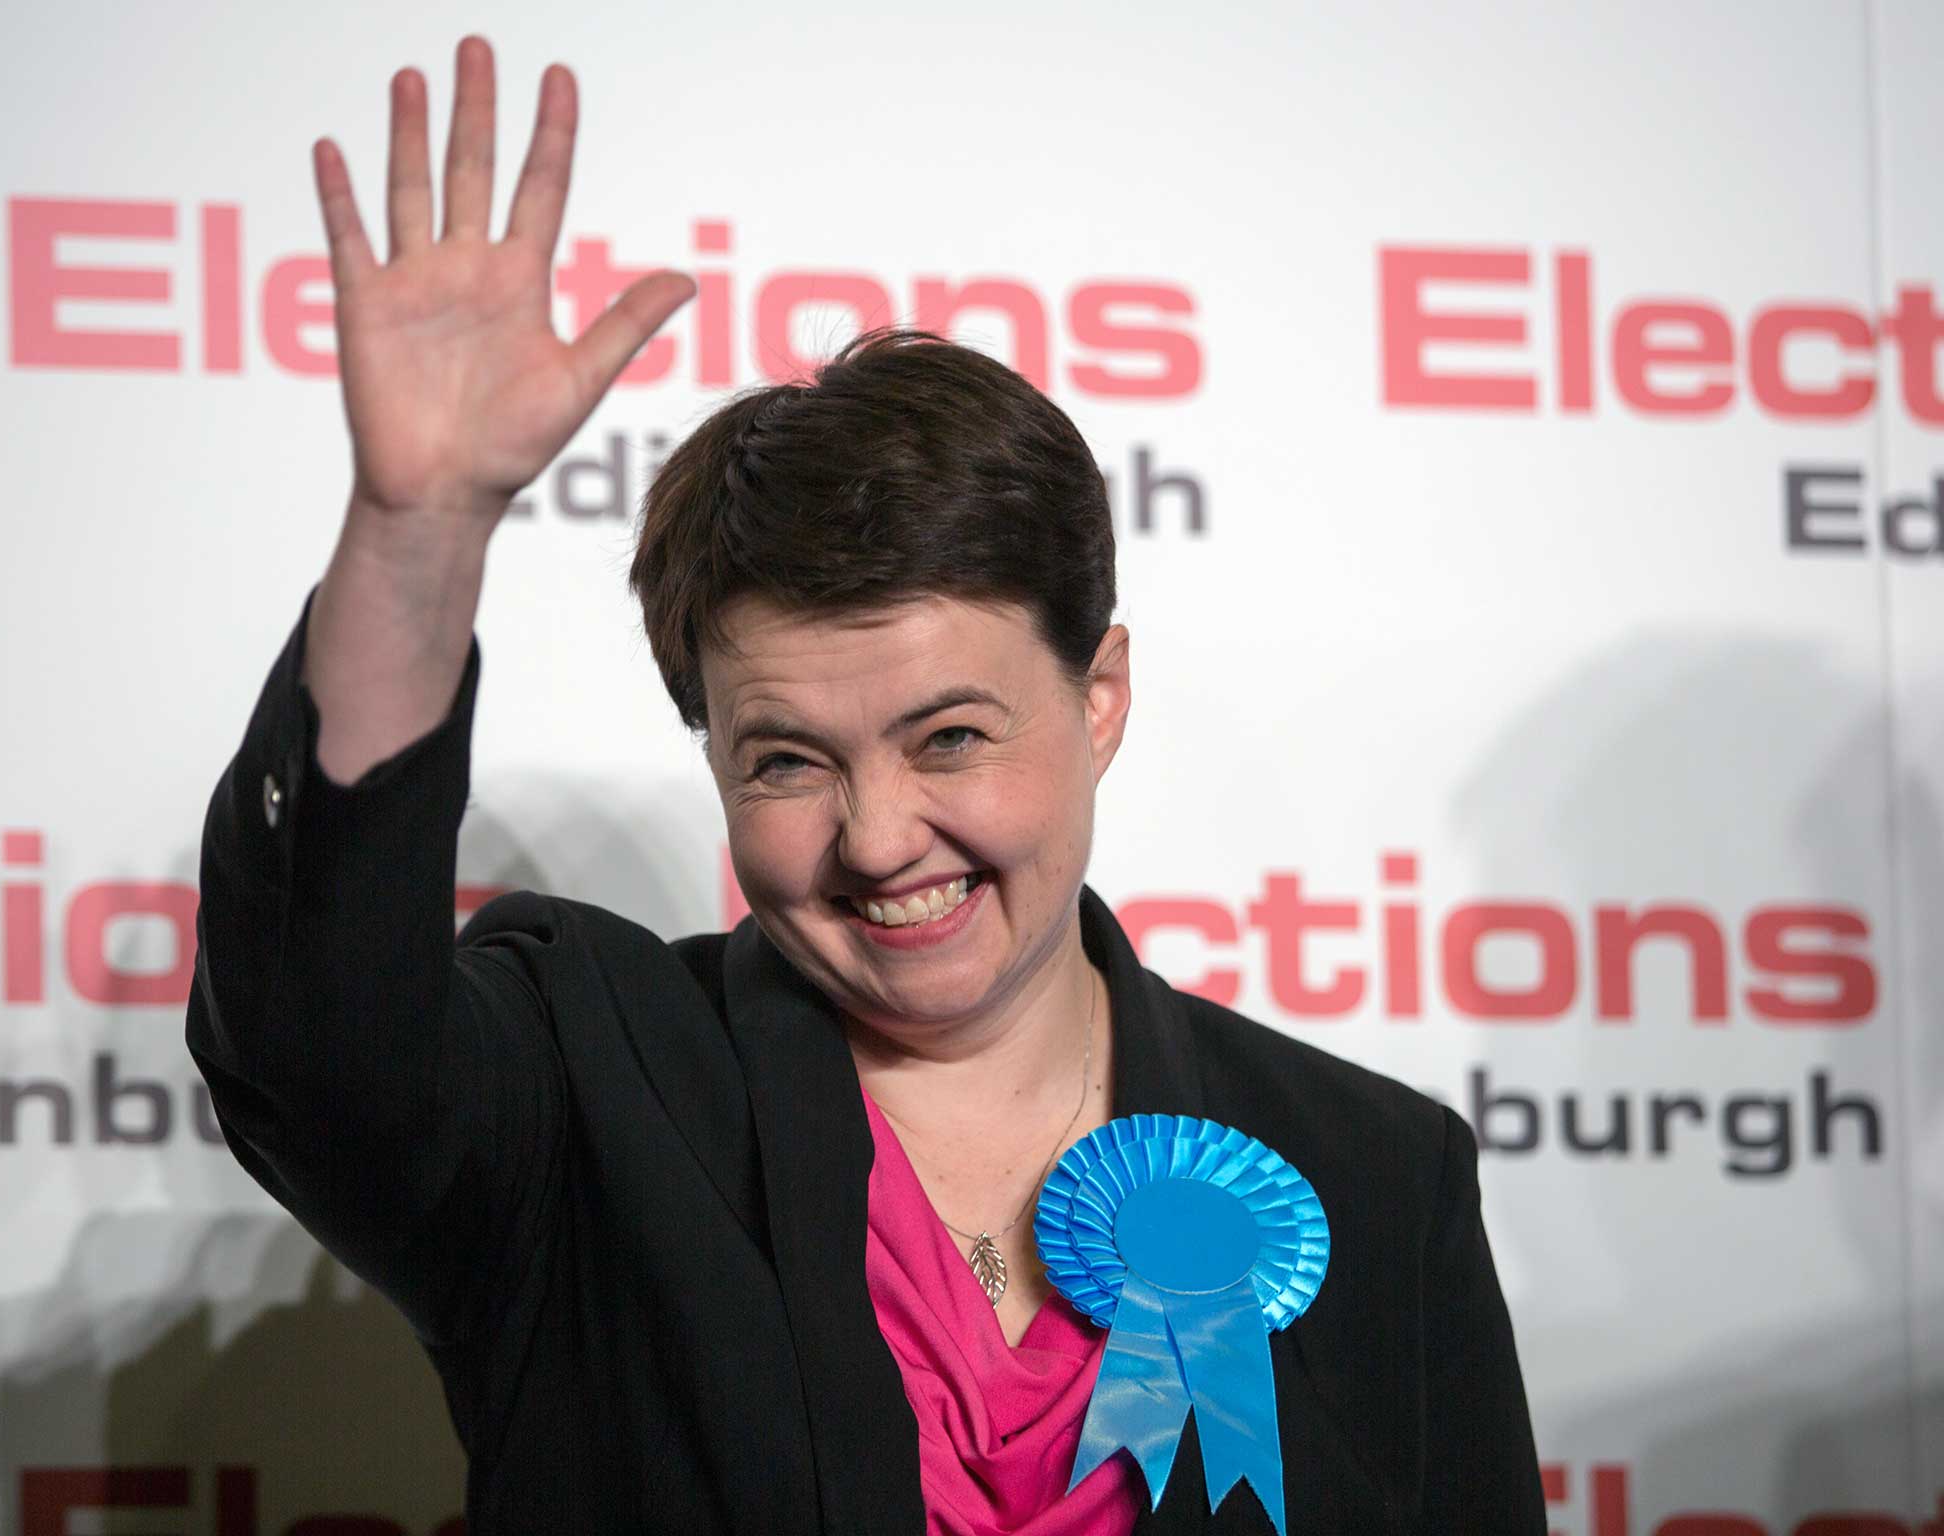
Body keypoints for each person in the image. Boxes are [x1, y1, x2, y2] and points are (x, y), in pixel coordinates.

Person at [186, 32, 1547, 1536]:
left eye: (951, 736)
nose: (881, 838)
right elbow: (320, 1045)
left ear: (1099, 700)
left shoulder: (1367, 1175)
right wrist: (417, 533)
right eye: (787, 760)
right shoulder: (593, 1086)